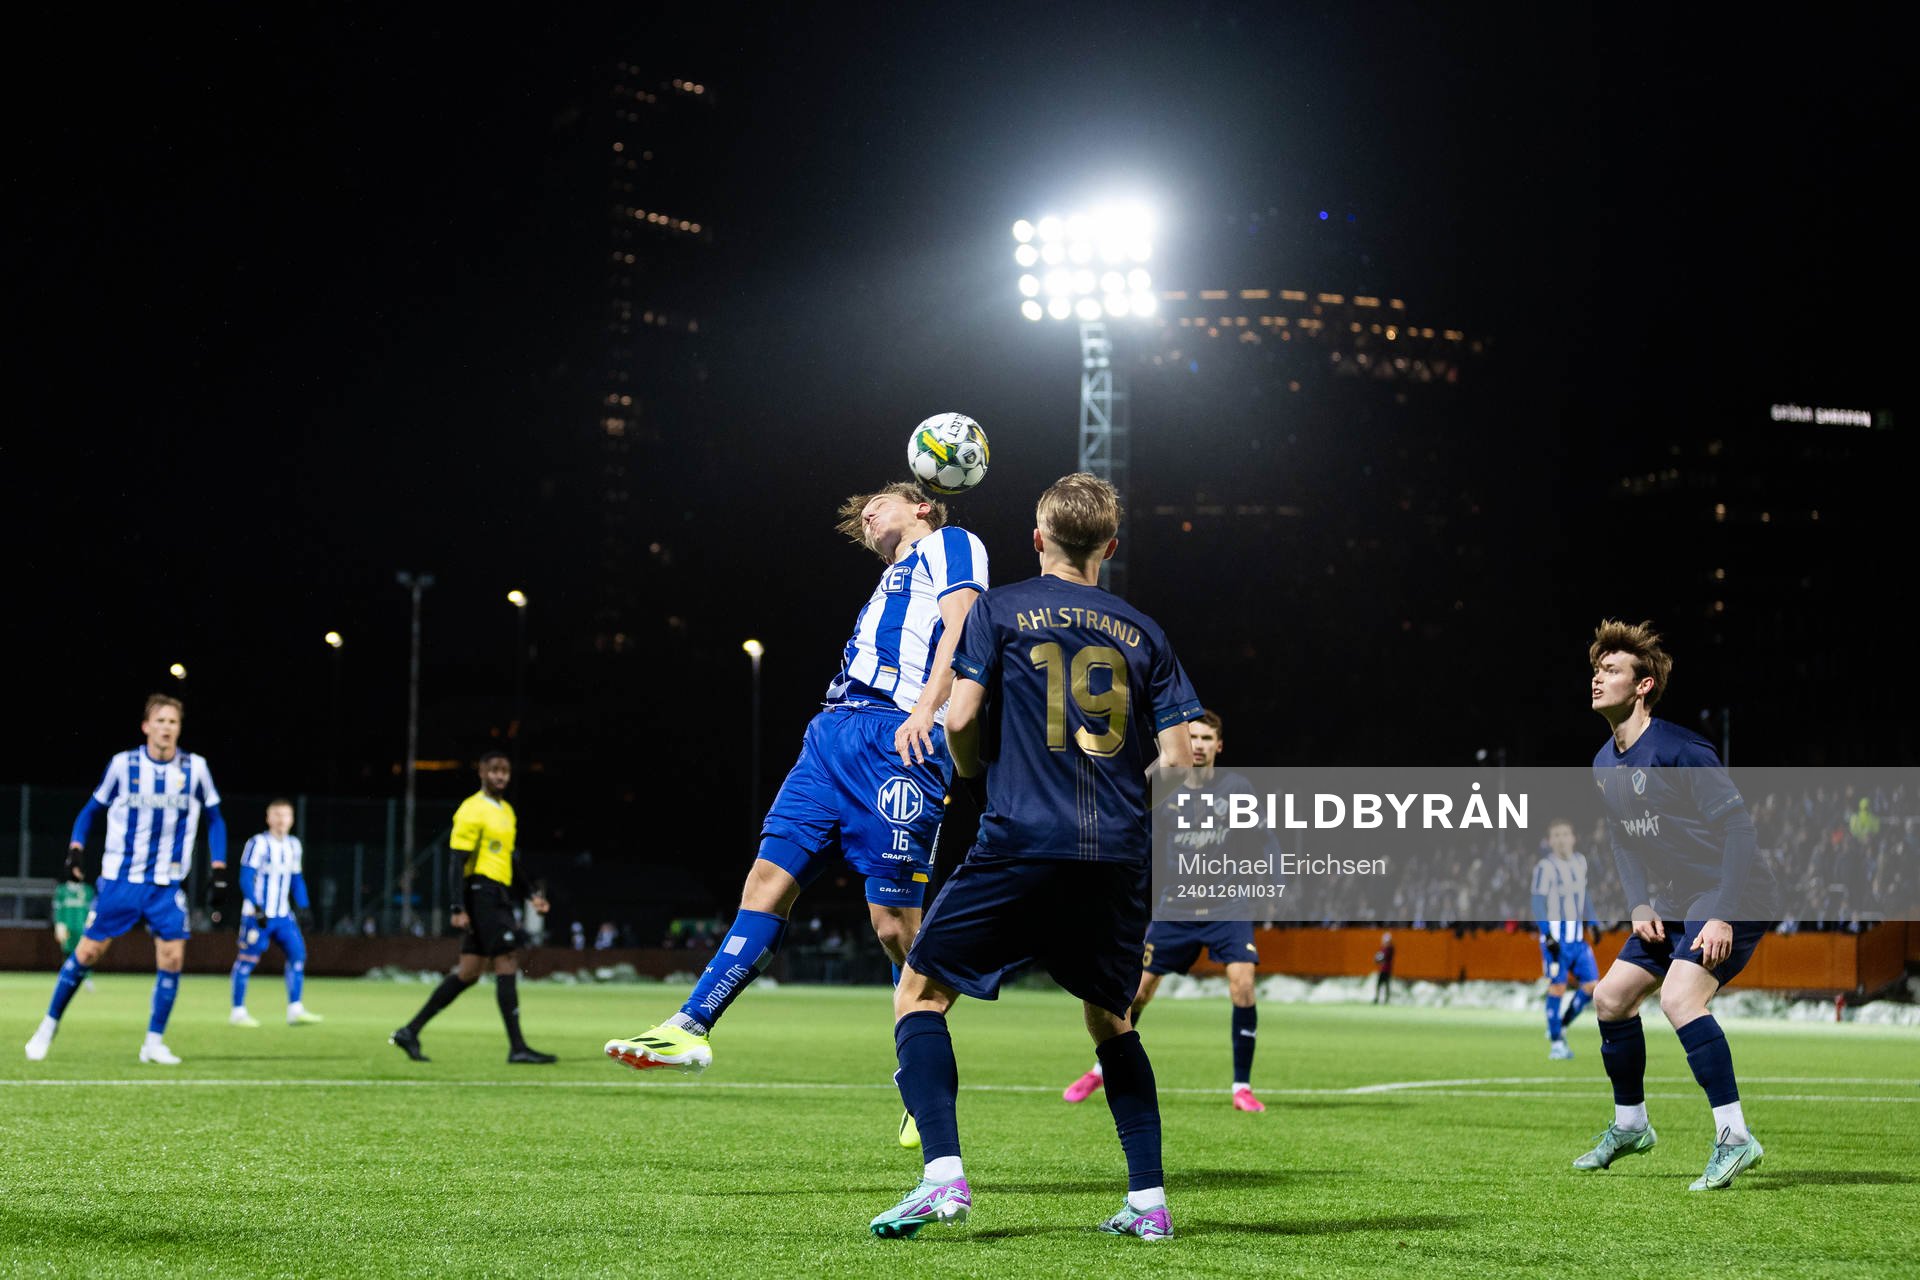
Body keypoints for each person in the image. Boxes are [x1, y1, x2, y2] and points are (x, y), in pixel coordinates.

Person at [871, 472, 1204, 1242]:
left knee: (919, 993)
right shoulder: (1145, 632)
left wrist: (974, 775)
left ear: (1037, 538)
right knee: (1112, 1020)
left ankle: (942, 1178)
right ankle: (1149, 1202)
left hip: (1021, 837)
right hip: (1117, 853)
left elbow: (961, 718)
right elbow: (1180, 763)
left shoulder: (1001, 608)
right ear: (1110, 548)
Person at [604, 481, 987, 1097]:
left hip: (898, 736)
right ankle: (690, 1026)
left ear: (921, 505)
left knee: (894, 928)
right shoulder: (890, 579)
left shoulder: (952, 543)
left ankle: (923, 1075)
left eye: (879, 504)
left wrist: (926, 708)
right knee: (765, 880)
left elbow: (963, 626)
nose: (867, 515)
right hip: (832, 735)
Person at [1572, 619, 1776, 1190]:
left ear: (1643, 686)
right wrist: (1639, 904)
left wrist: (1723, 913)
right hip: (1678, 896)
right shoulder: (1603, 763)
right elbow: (1622, 838)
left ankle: (1735, 1137)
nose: (1597, 679)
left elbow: (1740, 831)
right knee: (1610, 998)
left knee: (1681, 998)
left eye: (1611, 670)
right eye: (1596, 669)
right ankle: (1631, 1126)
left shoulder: (1681, 749)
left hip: (1733, 891)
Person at [1062, 710, 1270, 1113]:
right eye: (1192, 737)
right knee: (1137, 992)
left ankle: (1241, 1088)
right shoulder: (1165, 786)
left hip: (1228, 905)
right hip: (1175, 906)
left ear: (1219, 745)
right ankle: (1101, 1069)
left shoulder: (1237, 788)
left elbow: (1261, 840)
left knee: (1243, 984)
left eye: (1206, 738)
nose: (1198, 745)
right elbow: (1135, 833)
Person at [25, 694, 227, 1064]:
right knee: (87, 952)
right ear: (146, 726)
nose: (166, 728)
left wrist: (218, 869)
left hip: (166, 883)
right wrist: (75, 849)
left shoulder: (195, 768)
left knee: (172, 958)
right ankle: (48, 1026)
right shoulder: (124, 765)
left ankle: (153, 1042)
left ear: (179, 728)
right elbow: (90, 811)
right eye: (160, 721)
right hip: (121, 879)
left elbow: (215, 819)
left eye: (173, 722)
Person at [389, 752, 554, 1064]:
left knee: (469, 972)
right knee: (507, 958)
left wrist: (531, 893)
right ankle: (518, 1047)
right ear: (482, 773)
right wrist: (457, 906)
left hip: (498, 893)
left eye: (505, 771)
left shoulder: (507, 812)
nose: (500, 776)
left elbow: (509, 859)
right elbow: (456, 861)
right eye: (494, 770)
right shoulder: (471, 808)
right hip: (481, 893)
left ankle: (409, 1031)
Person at [228, 798, 322, 1027]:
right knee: (247, 960)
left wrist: (304, 907)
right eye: (277, 815)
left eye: (285, 815)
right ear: (268, 818)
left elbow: (297, 879)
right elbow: (245, 878)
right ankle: (238, 1011)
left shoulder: (294, 845)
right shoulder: (258, 843)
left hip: (283, 916)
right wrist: (256, 907)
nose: (281, 819)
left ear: (292, 819)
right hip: (257, 915)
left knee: (298, 955)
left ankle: (295, 1009)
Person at [1535, 817, 1600, 1059]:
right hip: (1556, 941)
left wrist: (1592, 923)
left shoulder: (1580, 862)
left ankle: (1560, 1025)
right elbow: (1537, 903)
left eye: (1565, 834)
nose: (1561, 839)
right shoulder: (1545, 868)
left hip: (1577, 940)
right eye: (1556, 835)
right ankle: (1556, 1045)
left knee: (1592, 986)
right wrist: (1547, 934)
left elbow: (1585, 896)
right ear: (1550, 841)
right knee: (1558, 987)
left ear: (1573, 838)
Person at [50, 877, 97, 995]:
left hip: (83, 928)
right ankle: (66, 978)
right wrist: (58, 925)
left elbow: (93, 910)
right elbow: (57, 909)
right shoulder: (62, 890)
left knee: (86, 953)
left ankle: (87, 978)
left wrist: (91, 925)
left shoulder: (87, 890)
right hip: (67, 927)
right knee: (68, 953)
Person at [1372, 932, 1394, 1003]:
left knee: (1386, 985)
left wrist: (1378, 958)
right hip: (1383, 969)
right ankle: (1378, 998)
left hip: (1386, 970)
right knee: (1380, 984)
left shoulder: (1390, 949)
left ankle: (1386, 999)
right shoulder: (1384, 948)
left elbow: (1383, 957)